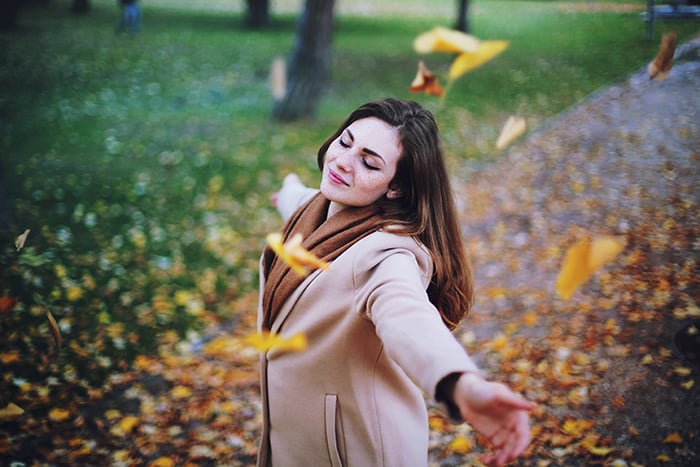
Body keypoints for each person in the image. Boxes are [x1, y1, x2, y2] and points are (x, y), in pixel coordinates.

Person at [258, 97, 535, 467]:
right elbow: (301, 201)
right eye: (345, 142)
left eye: (369, 162)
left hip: (358, 451)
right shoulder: (315, 209)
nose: (343, 161)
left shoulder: (387, 255)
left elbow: (407, 315)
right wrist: (288, 190)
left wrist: (462, 385)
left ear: (396, 189)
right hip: (299, 443)